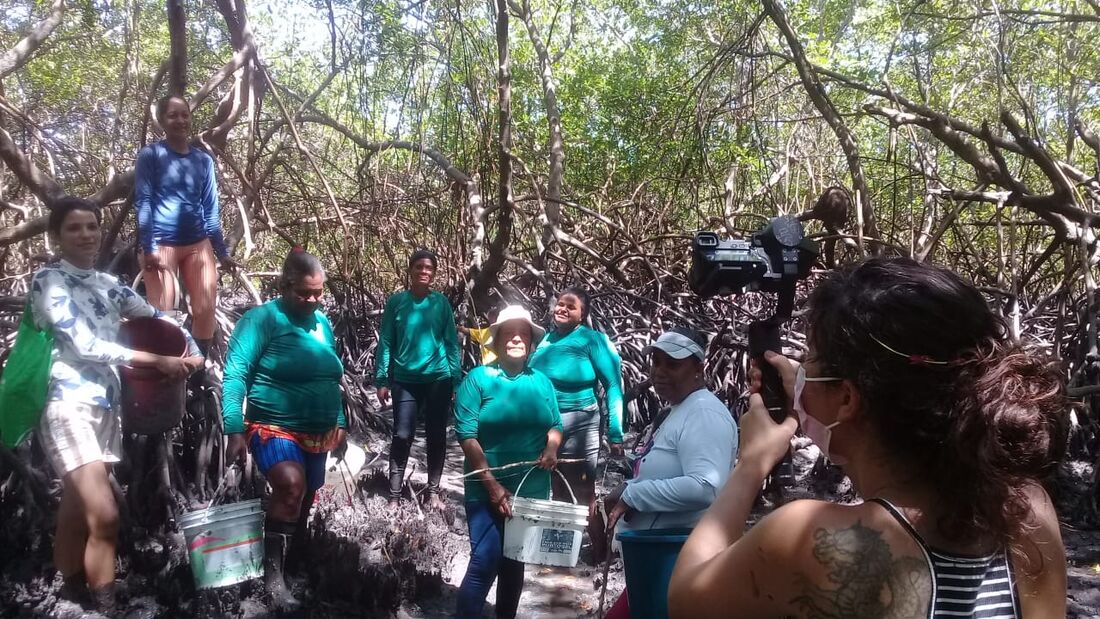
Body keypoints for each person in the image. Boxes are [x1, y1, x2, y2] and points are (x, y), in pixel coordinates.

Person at [668, 257, 1068, 618]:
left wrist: (751, 464)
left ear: (846, 398)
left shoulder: (805, 537)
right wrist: (811, 392)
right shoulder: (1027, 510)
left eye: (808, 362)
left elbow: (685, 597)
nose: (801, 373)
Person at [30, 197, 203, 612]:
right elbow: (84, 344)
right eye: (74, 228)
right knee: (105, 516)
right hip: (65, 403)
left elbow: (162, 321)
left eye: (92, 226)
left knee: (76, 509)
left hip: (106, 407)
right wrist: (156, 360)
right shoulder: (49, 280)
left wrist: (192, 353)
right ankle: (104, 608)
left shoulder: (110, 287)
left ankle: (72, 595)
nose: (86, 235)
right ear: (57, 236)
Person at [222, 247, 347, 608]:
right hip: (272, 425)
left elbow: (331, 375)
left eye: (318, 292)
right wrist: (233, 427)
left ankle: (294, 563)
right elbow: (235, 374)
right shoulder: (262, 320)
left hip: (319, 431)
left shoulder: (322, 323)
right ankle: (272, 581)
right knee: (291, 486)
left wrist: (339, 420)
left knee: (307, 495)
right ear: (285, 284)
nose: (312, 300)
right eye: (303, 292)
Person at [602, 327, 738, 619]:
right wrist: (627, 486)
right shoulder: (678, 409)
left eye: (673, 364)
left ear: (698, 368)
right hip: (655, 559)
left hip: (678, 559)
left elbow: (705, 487)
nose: (660, 372)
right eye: (657, 362)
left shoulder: (704, 414)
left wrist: (633, 494)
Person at [453, 305, 563, 619]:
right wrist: (491, 484)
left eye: (523, 334)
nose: (516, 339)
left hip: (532, 489)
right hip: (484, 485)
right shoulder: (478, 379)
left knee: (515, 562)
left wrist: (552, 448)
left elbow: (555, 424)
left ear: (531, 343)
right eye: (509, 333)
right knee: (485, 560)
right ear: (497, 339)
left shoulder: (542, 382)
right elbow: (466, 435)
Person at [133, 94, 239, 358]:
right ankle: (166, 370)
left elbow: (210, 210)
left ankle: (198, 371)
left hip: (197, 243)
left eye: (184, 115)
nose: (180, 120)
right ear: (162, 120)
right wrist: (149, 247)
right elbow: (143, 200)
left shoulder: (203, 161)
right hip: (161, 244)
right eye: (173, 115)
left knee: (205, 310)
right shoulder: (151, 155)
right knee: (163, 312)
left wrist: (222, 253)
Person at [528, 286, 625, 560]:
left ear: (582, 316)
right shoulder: (546, 340)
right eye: (560, 303)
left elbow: (613, 386)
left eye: (571, 307)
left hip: (580, 423)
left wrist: (616, 432)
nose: (562, 309)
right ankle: (560, 553)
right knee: (556, 488)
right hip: (546, 426)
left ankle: (601, 552)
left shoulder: (593, 340)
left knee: (584, 493)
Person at [375, 249, 461, 509]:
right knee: (402, 435)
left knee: (437, 435)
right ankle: (394, 496)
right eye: (419, 267)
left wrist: (455, 380)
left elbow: (451, 343)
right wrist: (381, 379)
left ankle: (433, 491)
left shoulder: (441, 303)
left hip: (438, 377)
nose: (424, 272)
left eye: (429, 268)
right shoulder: (397, 302)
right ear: (410, 270)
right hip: (405, 378)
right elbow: (387, 341)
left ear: (434, 273)